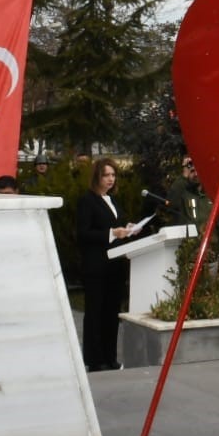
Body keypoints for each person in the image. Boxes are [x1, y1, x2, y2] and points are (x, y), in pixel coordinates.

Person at [77, 157, 136, 372]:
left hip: (115, 267)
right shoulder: (87, 200)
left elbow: (114, 227)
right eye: (106, 175)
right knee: (95, 314)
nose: (111, 179)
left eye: (113, 175)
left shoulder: (113, 201)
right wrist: (112, 233)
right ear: (97, 177)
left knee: (111, 313)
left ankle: (110, 358)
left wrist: (128, 229)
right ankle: (95, 360)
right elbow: (83, 233)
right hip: (96, 267)